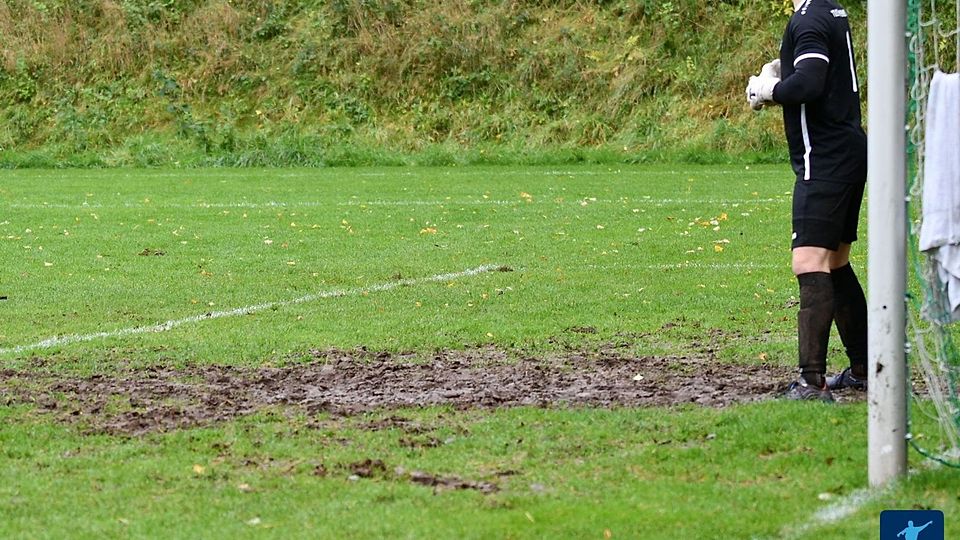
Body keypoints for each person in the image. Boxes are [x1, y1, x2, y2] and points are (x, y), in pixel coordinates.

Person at [745, 0, 868, 401]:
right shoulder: (830, 10)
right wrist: (783, 68)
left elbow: (811, 84)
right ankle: (864, 369)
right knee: (836, 262)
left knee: (809, 262)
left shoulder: (809, 16)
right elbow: (818, 71)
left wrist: (770, 89)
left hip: (825, 158)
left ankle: (811, 382)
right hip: (847, 150)